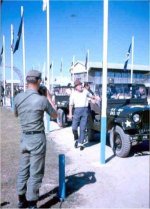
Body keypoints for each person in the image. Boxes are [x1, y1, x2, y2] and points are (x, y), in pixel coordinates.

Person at [14, 70, 57, 209]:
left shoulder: (18, 97)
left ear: (27, 81)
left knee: (23, 169)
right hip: (37, 138)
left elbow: (15, 114)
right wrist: (48, 96)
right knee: (36, 171)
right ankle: (32, 203)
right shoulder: (42, 99)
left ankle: (21, 200)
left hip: (24, 137)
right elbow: (55, 115)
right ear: (38, 81)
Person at [68, 79, 96, 150]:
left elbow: (91, 96)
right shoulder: (73, 94)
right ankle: (77, 139)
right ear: (76, 87)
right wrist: (70, 114)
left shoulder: (85, 91)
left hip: (85, 110)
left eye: (81, 84)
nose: (81, 86)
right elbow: (71, 105)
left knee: (82, 128)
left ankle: (81, 143)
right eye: (79, 85)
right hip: (77, 111)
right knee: (74, 128)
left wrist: (95, 98)